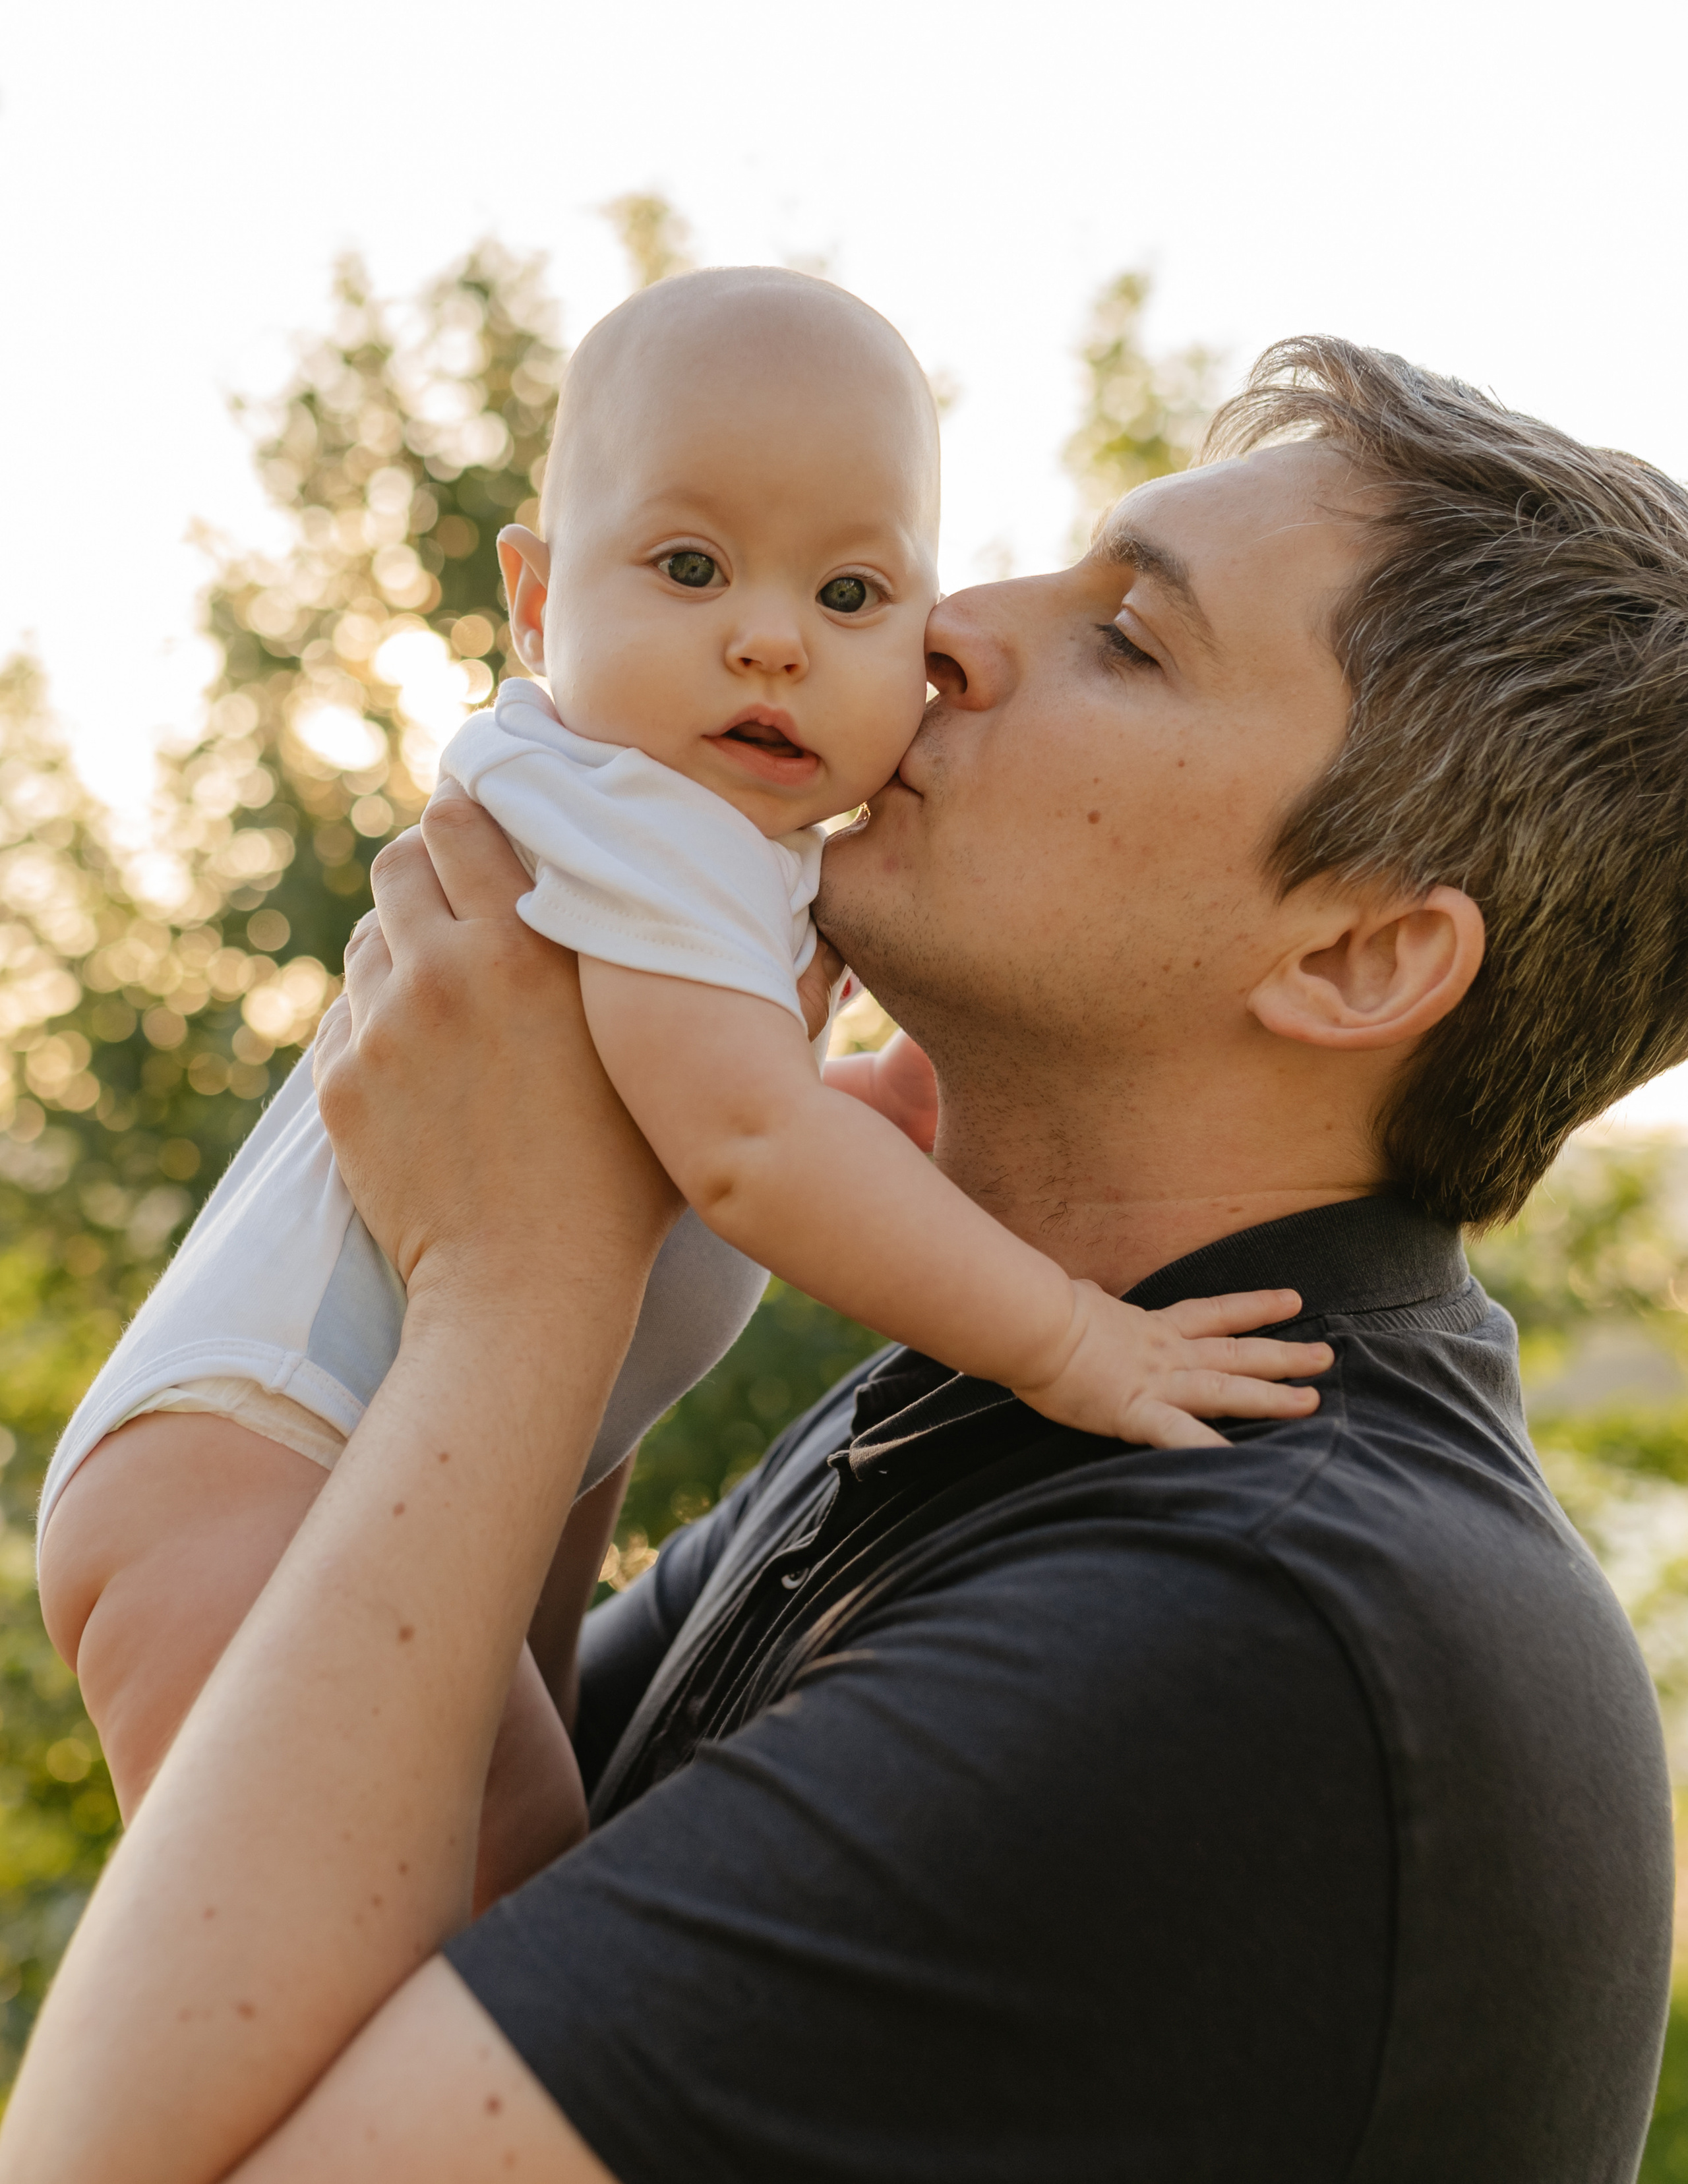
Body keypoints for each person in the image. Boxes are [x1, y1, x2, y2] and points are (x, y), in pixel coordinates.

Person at [5, 335, 1685, 2183]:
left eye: (1128, 636)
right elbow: (441, 1882)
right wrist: (588, 1252)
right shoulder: (998, 1428)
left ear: (1358, 959)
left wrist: (518, 1294)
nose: (950, 626)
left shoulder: (1239, 1641)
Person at [36, 272, 1322, 1899]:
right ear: (534, 597)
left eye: (852, 593)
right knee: (424, 1915)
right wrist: (1065, 1337)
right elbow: (736, 1153)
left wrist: (877, 1112)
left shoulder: (711, 862)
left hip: (321, 1463)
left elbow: (678, 1125)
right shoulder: (636, 824)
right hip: (263, 1466)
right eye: (690, 566)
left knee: (476, 1889)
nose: (771, 637)